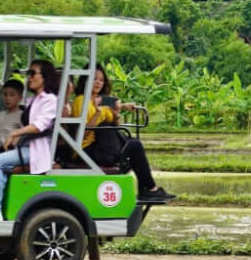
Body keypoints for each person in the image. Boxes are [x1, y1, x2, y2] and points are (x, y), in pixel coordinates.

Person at [0, 59, 59, 221]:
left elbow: (39, 126)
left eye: (32, 73)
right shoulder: (33, 100)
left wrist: (15, 134)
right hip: (23, 147)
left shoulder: (50, 100)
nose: (28, 77)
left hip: (36, 150)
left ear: (44, 77)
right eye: (28, 73)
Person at [70, 63, 175, 205]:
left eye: (101, 80)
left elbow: (117, 127)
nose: (98, 83)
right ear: (85, 80)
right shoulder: (80, 101)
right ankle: (149, 189)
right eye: (94, 79)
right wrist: (98, 113)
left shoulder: (102, 100)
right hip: (87, 150)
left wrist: (116, 113)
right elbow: (82, 133)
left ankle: (149, 189)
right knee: (124, 139)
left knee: (132, 143)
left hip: (103, 147)